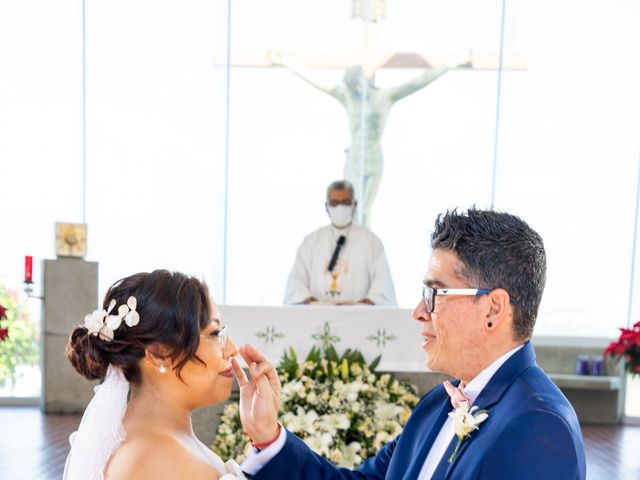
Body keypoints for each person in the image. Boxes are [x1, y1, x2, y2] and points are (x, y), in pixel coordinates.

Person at [244, 207, 587, 479]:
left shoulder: (539, 425)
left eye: (436, 293)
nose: (420, 312)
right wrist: (269, 437)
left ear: (493, 309)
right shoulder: (438, 404)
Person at [63, 269, 281, 480]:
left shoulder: (164, 442)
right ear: (159, 354)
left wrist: (267, 436)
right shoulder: (157, 459)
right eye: (215, 333)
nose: (232, 348)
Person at [270, 51, 470, 226]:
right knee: (352, 207)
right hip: (355, 158)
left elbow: (418, 82)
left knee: (365, 210)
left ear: (360, 80)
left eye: (353, 82)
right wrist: (286, 61)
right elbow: (315, 79)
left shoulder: (385, 97)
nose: (351, 87)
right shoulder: (347, 97)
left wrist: (449, 64)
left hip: (373, 159)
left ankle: (363, 250)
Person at [283, 179, 396, 305]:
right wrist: (312, 302)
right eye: (335, 203)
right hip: (316, 316)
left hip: (360, 317)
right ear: (327, 206)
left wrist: (365, 303)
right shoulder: (310, 242)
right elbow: (296, 281)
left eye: (346, 202)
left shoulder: (372, 242)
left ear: (355, 205)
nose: (340, 207)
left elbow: (382, 284)